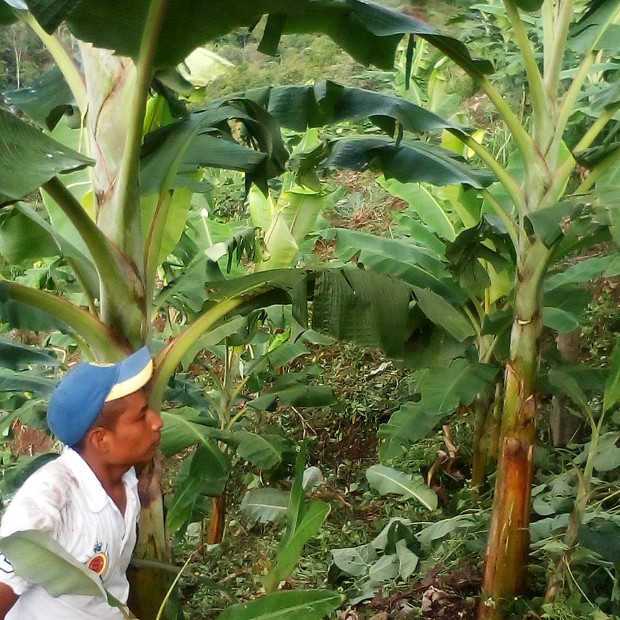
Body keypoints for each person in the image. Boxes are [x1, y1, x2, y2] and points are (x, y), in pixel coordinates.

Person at [0, 346, 163, 619]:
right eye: (141, 415)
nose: (157, 422)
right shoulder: (48, 502)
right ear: (101, 439)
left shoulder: (127, 480)